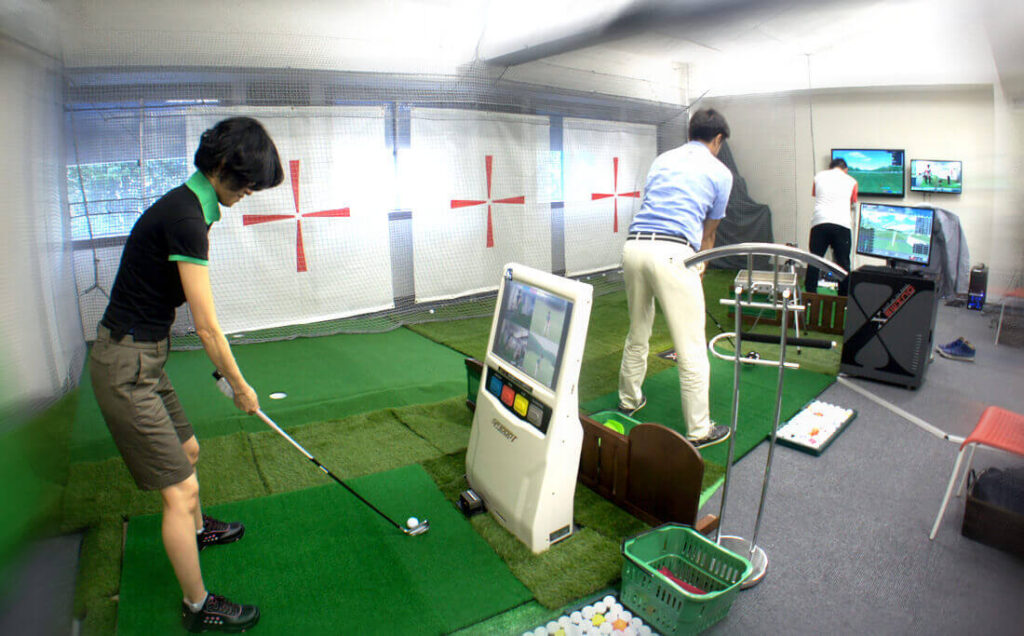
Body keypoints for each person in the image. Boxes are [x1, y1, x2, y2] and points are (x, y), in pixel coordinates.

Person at [89, 117, 284, 633]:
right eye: (244, 181)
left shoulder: (193, 205)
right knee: (178, 492)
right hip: (126, 366)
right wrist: (241, 389)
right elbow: (207, 326)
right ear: (219, 167)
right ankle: (199, 606)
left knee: (189, 453)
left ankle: (199, 532)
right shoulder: (187, 218)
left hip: (145, 356)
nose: (247, 192)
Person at [616, 108, 733, 448]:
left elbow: (653, 204)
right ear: (718, 139)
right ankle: (699, 430)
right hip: (674, 253)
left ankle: (629, 400)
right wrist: (700, 266)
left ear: (690, 132)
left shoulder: (662, 160)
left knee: (638, 330)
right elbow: (708, 233)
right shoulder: (720, 171)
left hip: (634, 247)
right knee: (692, 346)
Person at [805, 158, 858, 296]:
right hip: (842, 225)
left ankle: (810, 294)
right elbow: (853, 201)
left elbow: (815, 194)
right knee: (843, 265)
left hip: (819, 223)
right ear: (845, 169)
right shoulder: (852, 181)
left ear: (830, 167)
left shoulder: (818, 177)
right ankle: (843, 298)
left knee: (814, 261)